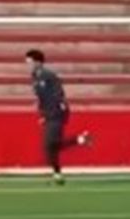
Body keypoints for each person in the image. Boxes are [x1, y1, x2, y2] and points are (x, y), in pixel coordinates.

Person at [26, 49, 91, 185]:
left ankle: (58, 173)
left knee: (49, 145)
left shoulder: (48, 75)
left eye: (30, 62)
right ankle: (80, 140)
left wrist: (58, 110)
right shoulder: (35, 76)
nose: (28, 64)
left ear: (38, 62)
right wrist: (43, 114)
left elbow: (58, 94)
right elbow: (42, 97)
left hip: (56, 112)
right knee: (52, 145)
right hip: (49, 113)